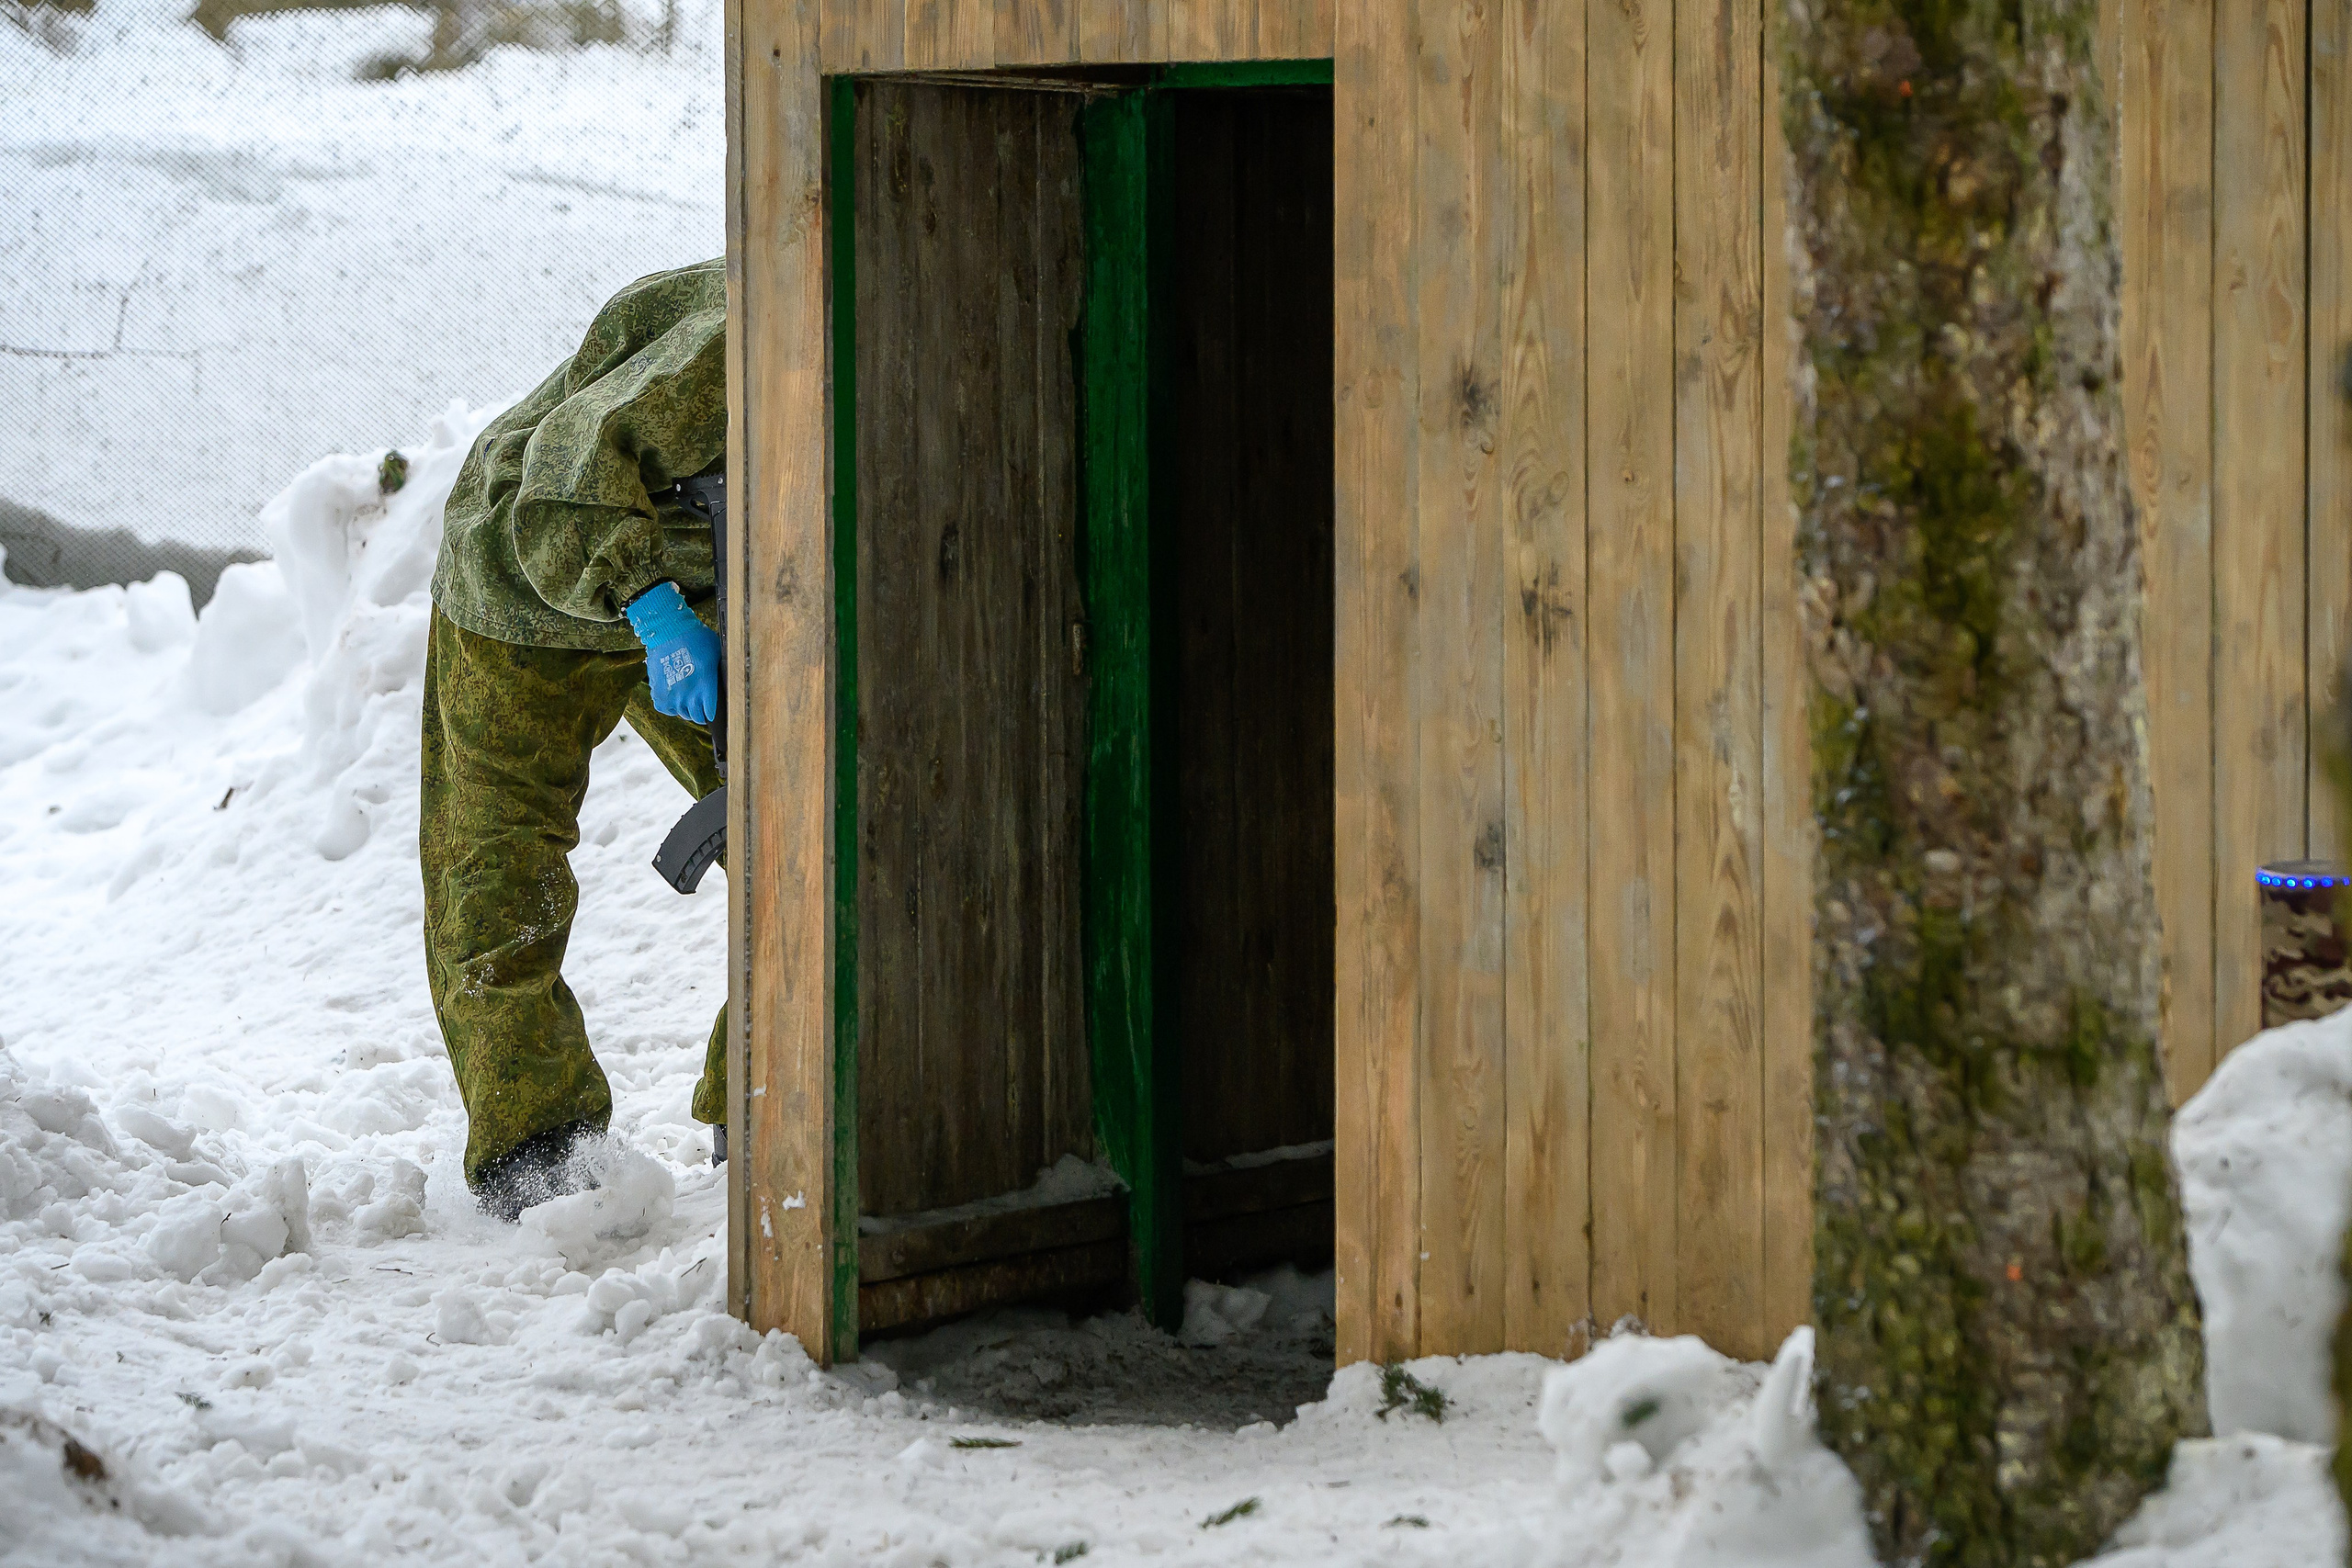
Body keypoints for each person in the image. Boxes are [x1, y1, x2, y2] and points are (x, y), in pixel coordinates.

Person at [423, 258, 729, 1220]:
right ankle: (535, 1151)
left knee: (802, 835)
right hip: (518, 582)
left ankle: (766, 1110)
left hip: (698, 583)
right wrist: (653, 611)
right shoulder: (757, 319)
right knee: (496, 868)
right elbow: (565, 476)